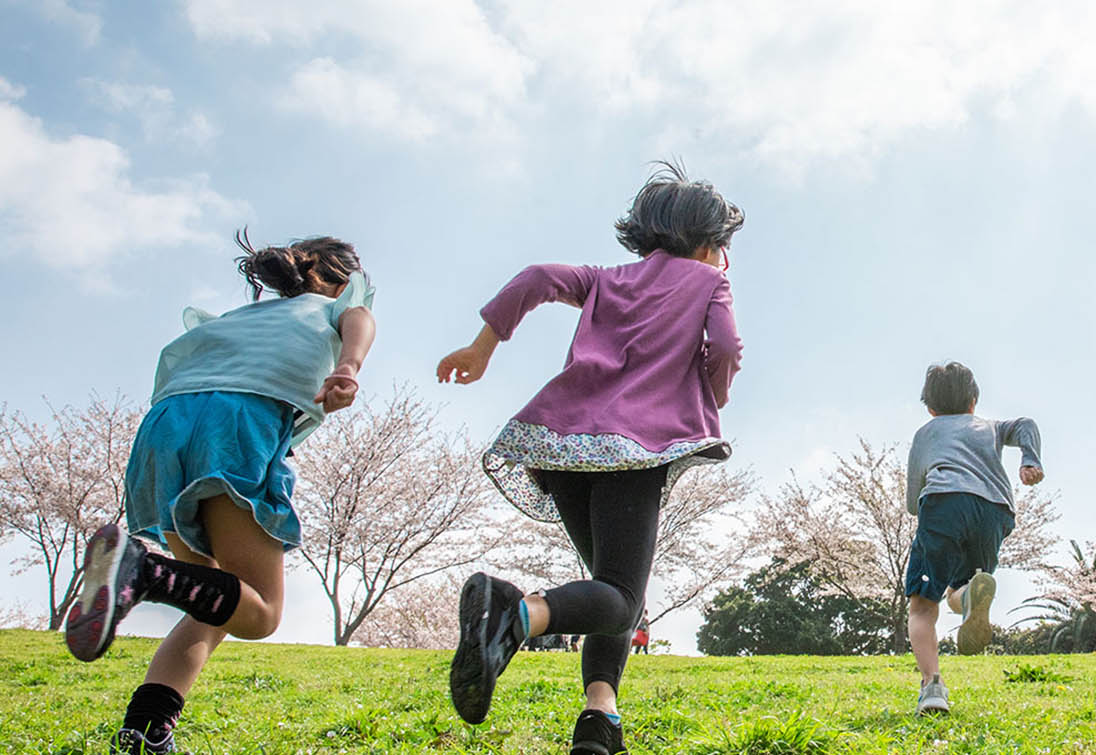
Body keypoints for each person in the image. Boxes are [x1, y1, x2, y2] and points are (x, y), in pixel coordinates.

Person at [436, 162, 743, 755]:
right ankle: (514, 613)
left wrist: (482, 350)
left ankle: (599, 721)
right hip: (634, 447)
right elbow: (726, 349)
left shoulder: (607, 277)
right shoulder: (708, 284)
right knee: (621, 598)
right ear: (709, 243)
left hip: (558, 445)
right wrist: (713, 392)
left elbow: (537, 276)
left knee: (613, 590)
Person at [65, 231, 374, 754]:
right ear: (340, 277)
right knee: (261, 613)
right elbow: (360, 319)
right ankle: (142, 571)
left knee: (211, 601)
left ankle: (144, 731)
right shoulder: (341, 301)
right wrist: (347, 368)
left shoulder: (237, 319)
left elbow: (172, 365)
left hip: (163, 428)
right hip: (235, 423)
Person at [903, 362, 1043, 715]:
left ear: (930, 407)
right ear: (973, 401)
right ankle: (967, 598)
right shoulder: (991, 427)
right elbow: (1025, 424)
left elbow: (912, 500)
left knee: (922, 604)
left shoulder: (927, 432)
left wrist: (930, 521)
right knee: (961, 586)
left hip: (945, 504)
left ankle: (932, 687)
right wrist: (1029, 459)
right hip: (994, 512)